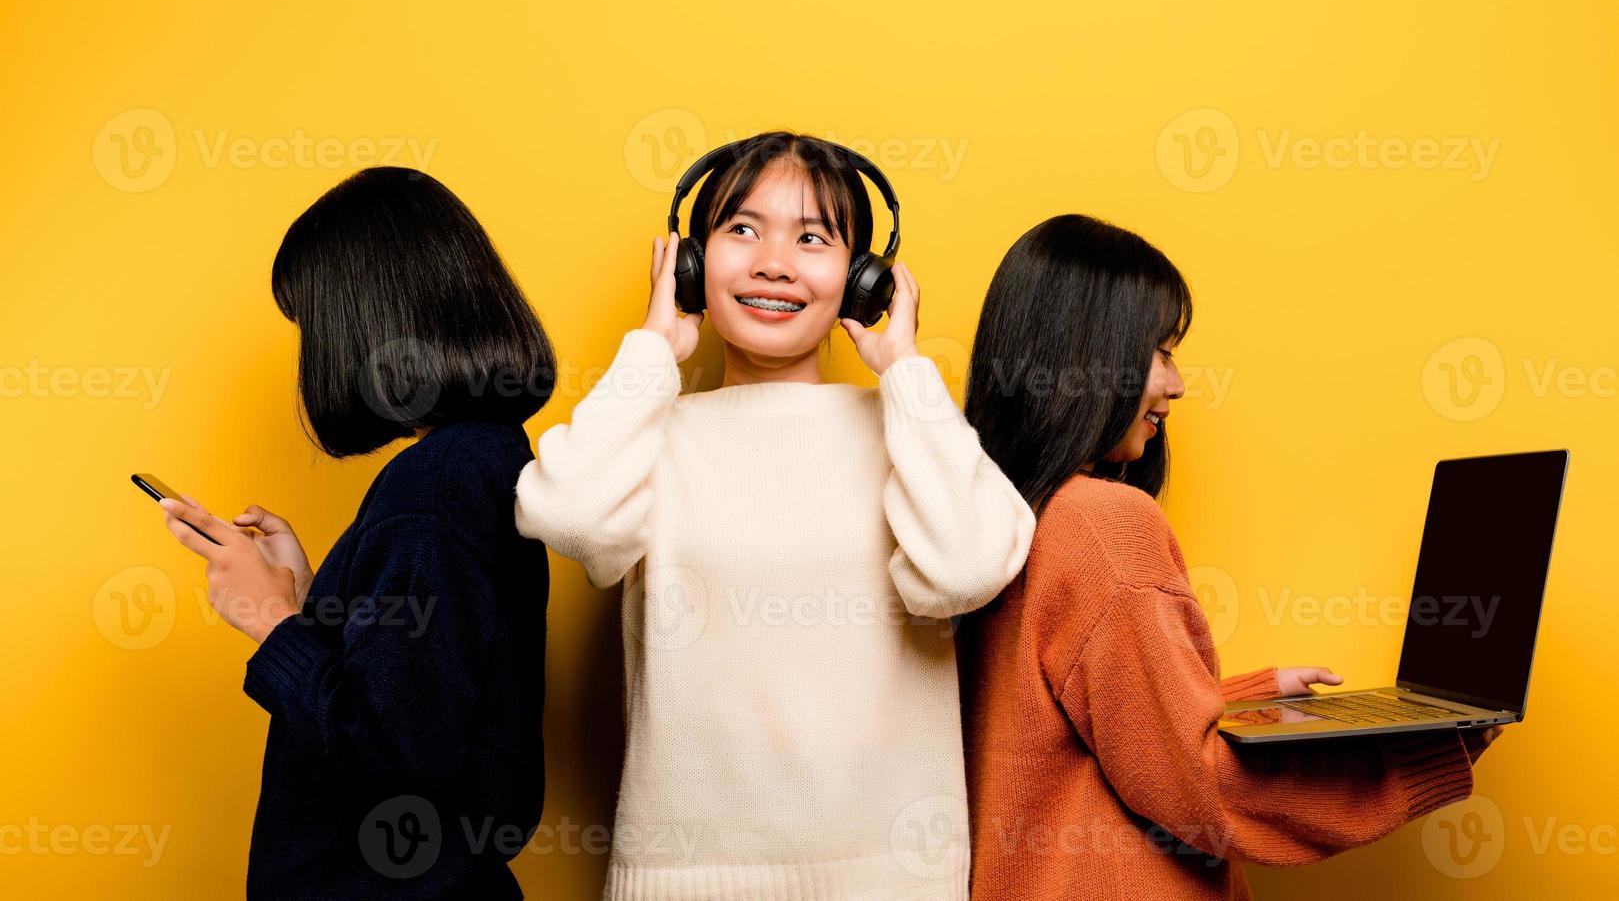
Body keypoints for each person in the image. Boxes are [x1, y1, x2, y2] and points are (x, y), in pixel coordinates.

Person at [514, 132, 1036, 898]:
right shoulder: (651, 431)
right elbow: (565, 514)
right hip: (685, 880)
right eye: (742, 230)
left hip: (889, 881)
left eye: (813, 238)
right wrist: (652, 349)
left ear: (863, 281)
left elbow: (964, 569)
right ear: (690, 265)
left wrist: (906, 375)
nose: (773, 264)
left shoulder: (907, 429)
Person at [957, 213, 1498, 900]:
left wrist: (1241, 701)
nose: (1176, 384)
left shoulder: (983, 513)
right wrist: (1426, 754)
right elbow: (1207, 794)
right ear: (1089, 354)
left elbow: (1044, 720)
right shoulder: (1101, 523)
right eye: (1158, 352)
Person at [156, 166, 555, 899]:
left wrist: (269, 619)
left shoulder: (432, 486)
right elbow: (428, 683)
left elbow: (397, 749)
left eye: (314, 323)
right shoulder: (482, 457)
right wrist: (318, 604)